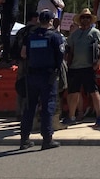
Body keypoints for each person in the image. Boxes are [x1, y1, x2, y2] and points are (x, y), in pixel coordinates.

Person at [19, 9, 65, 150]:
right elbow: (61, 56)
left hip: (32, 75)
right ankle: (47, 139)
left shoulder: (31, 36)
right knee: (47, 107)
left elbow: (23, 54)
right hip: (48, 76)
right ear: (51, 21)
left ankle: (25, 139)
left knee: (29, 107)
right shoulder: (55, 37)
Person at [65, 8, 100, 127]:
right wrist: (68, 62)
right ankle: (71, 116)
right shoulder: (74, 34)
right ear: (80, 19)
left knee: (94, 92)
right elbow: (70, 50)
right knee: (73, 93)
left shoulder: (95, 32)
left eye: (88, 17)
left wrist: (98, 62)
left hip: (89, 67)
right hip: (75, 67)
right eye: (83, 17)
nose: (85, 19)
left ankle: (99, 116)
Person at [12, 11, 40, 119]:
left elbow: (13, 47)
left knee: (21, 86)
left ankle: (19, 111)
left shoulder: (20, 31)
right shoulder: (35, 31)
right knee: (33, 87)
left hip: (21, 62)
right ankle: (31, 111)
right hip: (33, 62)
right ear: (34, 18)